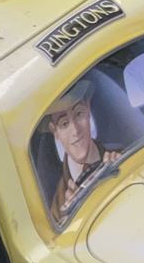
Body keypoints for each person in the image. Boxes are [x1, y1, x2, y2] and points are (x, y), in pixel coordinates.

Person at [38, 86, 123, 227]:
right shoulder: (59, 207)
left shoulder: (123, 154)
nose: (76, 131)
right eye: (64, 123)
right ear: (55, 131)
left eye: (79, 114)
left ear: (88, 110)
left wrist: (122, 169)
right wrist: (75, 216)